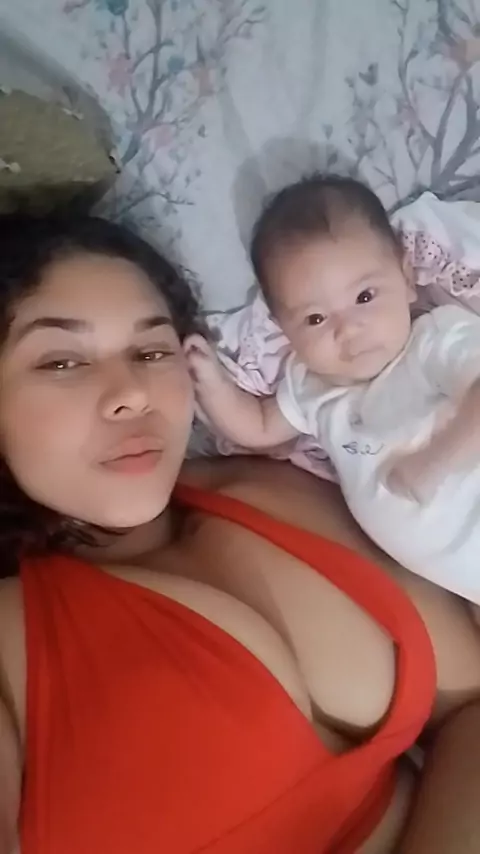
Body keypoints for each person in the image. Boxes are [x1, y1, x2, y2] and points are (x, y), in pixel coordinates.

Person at [0, 213, 480, 854]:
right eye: (62, 361)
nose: (132, 395)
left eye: (152, 352)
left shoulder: (270, 487)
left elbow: (471, 708)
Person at [185, 174, 480, 607]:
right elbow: (258, 428)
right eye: (316, 319)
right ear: (285, 330)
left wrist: (436, 463)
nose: (348, 329)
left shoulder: (434, 341)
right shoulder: (309, 387)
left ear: (405, 278)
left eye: (365, 296)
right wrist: (211, 383)